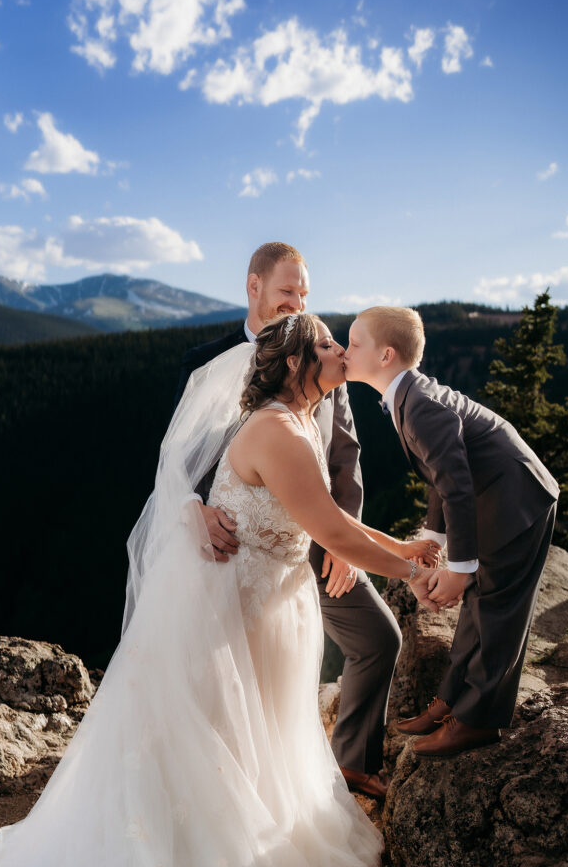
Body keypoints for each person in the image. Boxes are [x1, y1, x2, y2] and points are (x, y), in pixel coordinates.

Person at [0, 310, 434, 867]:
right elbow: (329, 528)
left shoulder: (303, 419)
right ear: (294, 365)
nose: (341, 351)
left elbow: (334, 522)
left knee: (256, 738)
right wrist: (417, 574)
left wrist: (404, 547)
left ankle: (240, 844)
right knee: (213, 743)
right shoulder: (276, 430)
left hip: (270, 609)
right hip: (235, 616)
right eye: (328, 345)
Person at [176, 242, 438, 799]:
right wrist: (190, 510)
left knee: (373, 640)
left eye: (304, 294)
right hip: (234, 553)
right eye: (286, 291)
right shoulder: (216, 367)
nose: (297, 303)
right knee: (232, 694)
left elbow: (341, 466)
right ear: (255, 287)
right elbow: (177, 461)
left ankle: (351, 765)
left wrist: (366, 544)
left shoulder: (318, 381)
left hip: (311, 544)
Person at [344, 306, 559, 757]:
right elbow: (442, 474)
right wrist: (435, 540)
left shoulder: (418, 404)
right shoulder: (406, 397)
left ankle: (478, 720)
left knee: (498, 609)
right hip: (492, 497)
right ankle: (450, 700)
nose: (346, 352)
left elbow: (458, 485)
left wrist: (459, 570)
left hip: (517, 499)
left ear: (386, 355)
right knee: (479, 606)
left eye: (354, 343)